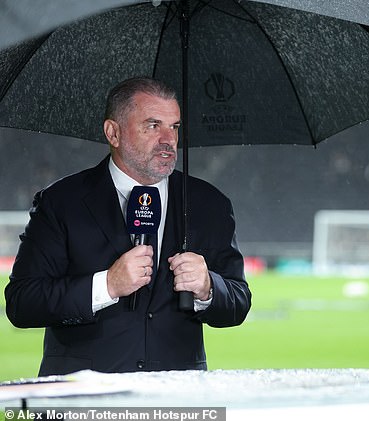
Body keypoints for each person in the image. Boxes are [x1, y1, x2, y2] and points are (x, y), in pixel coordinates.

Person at [5, 77, 251, 376]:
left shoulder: (208, 203)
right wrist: (106, 285)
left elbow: (238, 301)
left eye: (174, 126)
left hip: (176, 402)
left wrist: (208, 287)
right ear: (113, 132)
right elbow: (23, 304)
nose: (168, 139)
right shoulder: (60, 202)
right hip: (83, 401)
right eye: (152, 125)